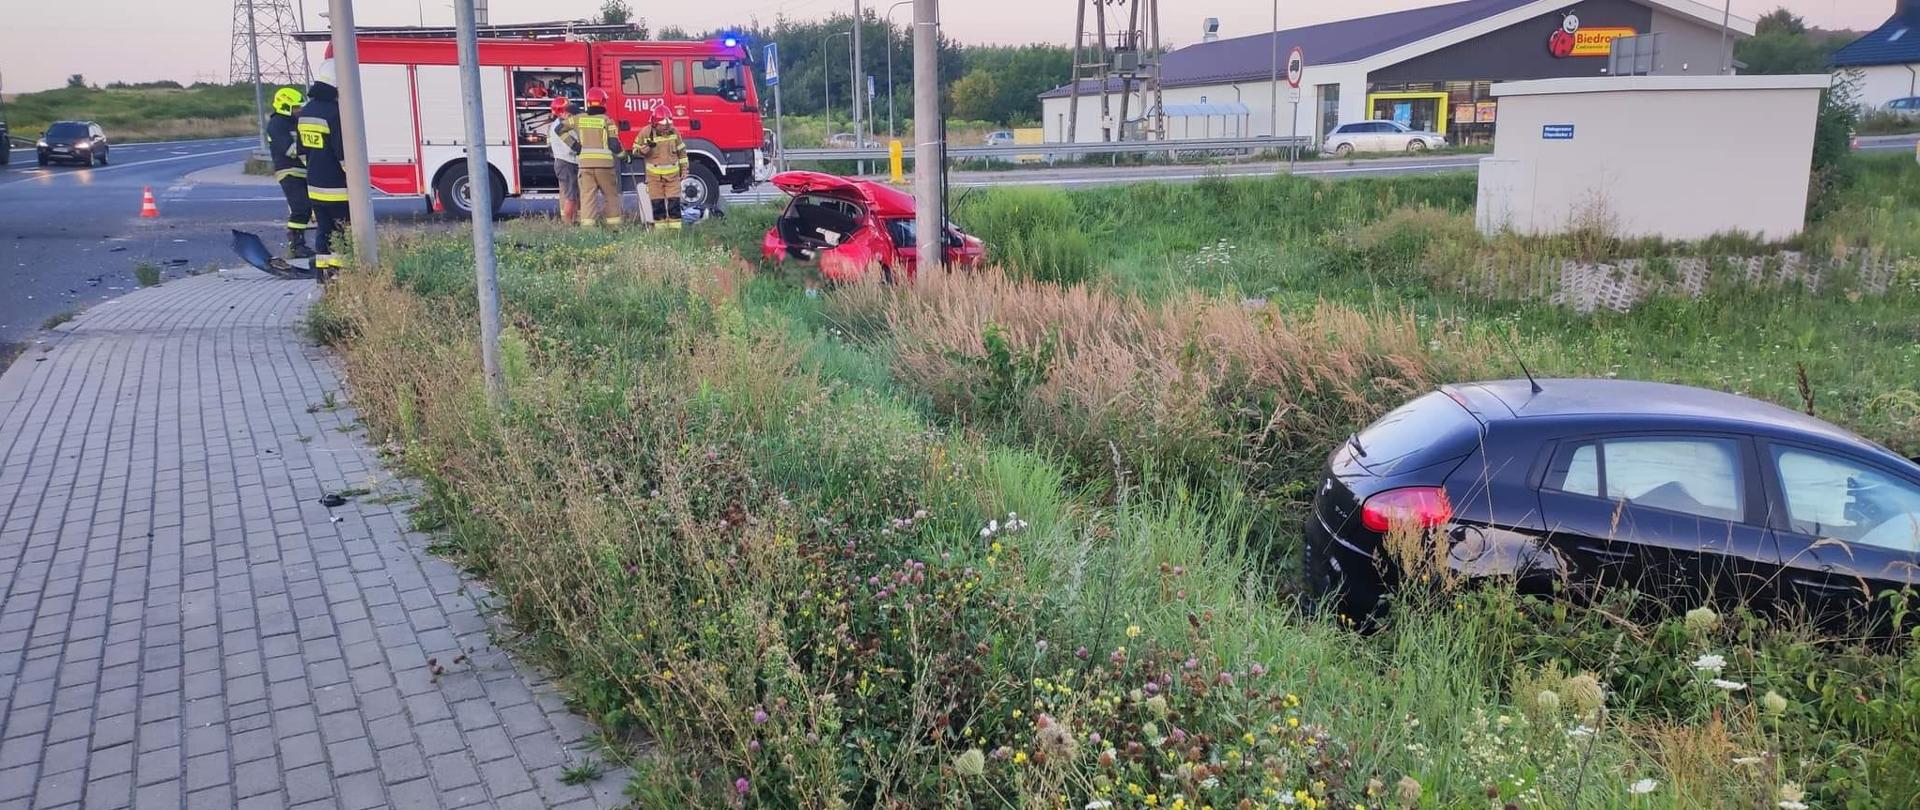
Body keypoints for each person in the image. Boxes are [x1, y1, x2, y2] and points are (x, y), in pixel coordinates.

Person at [297, 60, 350, 276]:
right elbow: (342, 153)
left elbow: (301, 152)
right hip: (336, 186)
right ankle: (339, 273)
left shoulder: (307, 111)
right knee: (342, 232)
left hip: (314, 184)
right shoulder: (335, 112)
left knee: (323, 230)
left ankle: (323, 275)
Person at [557, 88, 626, 227]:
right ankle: (615, 228)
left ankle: (588, 230)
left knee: (587, 197)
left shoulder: (578, 119)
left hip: (585, 166)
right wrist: (624, 156)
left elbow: (559, 130)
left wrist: (575, 146)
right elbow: (614, 144)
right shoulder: (607, 121)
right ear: (604, 102)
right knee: (611, 196)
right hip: (605, 167)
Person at [264, 86, 313, 259]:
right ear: (285, 106)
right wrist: (313, 157)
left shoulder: (295, 122)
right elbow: (291, 149)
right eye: (296, 107)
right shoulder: (277, 124)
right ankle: (296, 245)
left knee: (308, 209)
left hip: (302, 171)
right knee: (300, 207)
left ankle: (300, 245)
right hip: (289, 171)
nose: (299, 110)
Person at [637, 114, 689, 230]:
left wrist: (684, 169)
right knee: (657, 205)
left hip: (673, 176)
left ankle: (676, 233)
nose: (666, 127)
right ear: (655, 124)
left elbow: (682, 152)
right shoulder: (645, 132)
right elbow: (635, 149)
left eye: (668, 124)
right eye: (663, 125)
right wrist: (642, 150)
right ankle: (661, 233)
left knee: (674, 204)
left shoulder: (674, 132)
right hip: (654, 177)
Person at [546, 97, 580, 224]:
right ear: (562, 111)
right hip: (567, 162)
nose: (570, 111)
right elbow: (576, 145)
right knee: (570, 196)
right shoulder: (562, 126)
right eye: (568, 109)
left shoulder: (554, 125)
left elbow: (549, 146)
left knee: (568, 194)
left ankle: (571, 220)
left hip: (563, 162)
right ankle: (568, 224)